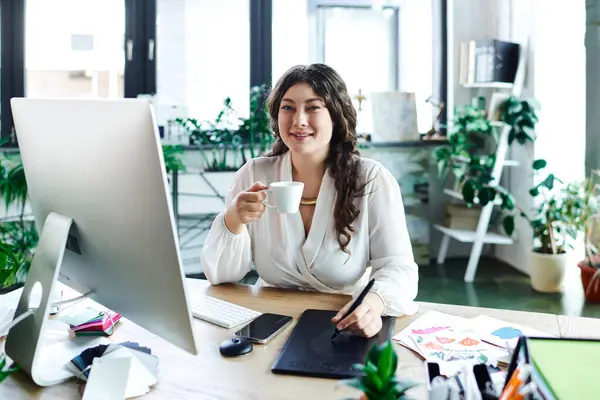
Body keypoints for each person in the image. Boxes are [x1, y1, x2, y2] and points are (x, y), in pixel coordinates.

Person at [201, 63, 418, 338]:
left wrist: (373, 304)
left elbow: (399, 268)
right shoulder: (255, 174)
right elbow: (221, 276)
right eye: (288, 107)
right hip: (269, 322)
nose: (298, 120)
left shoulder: (371, 179)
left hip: (341, 324)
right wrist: (233, 220)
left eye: (313, 107)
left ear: (336, 116)